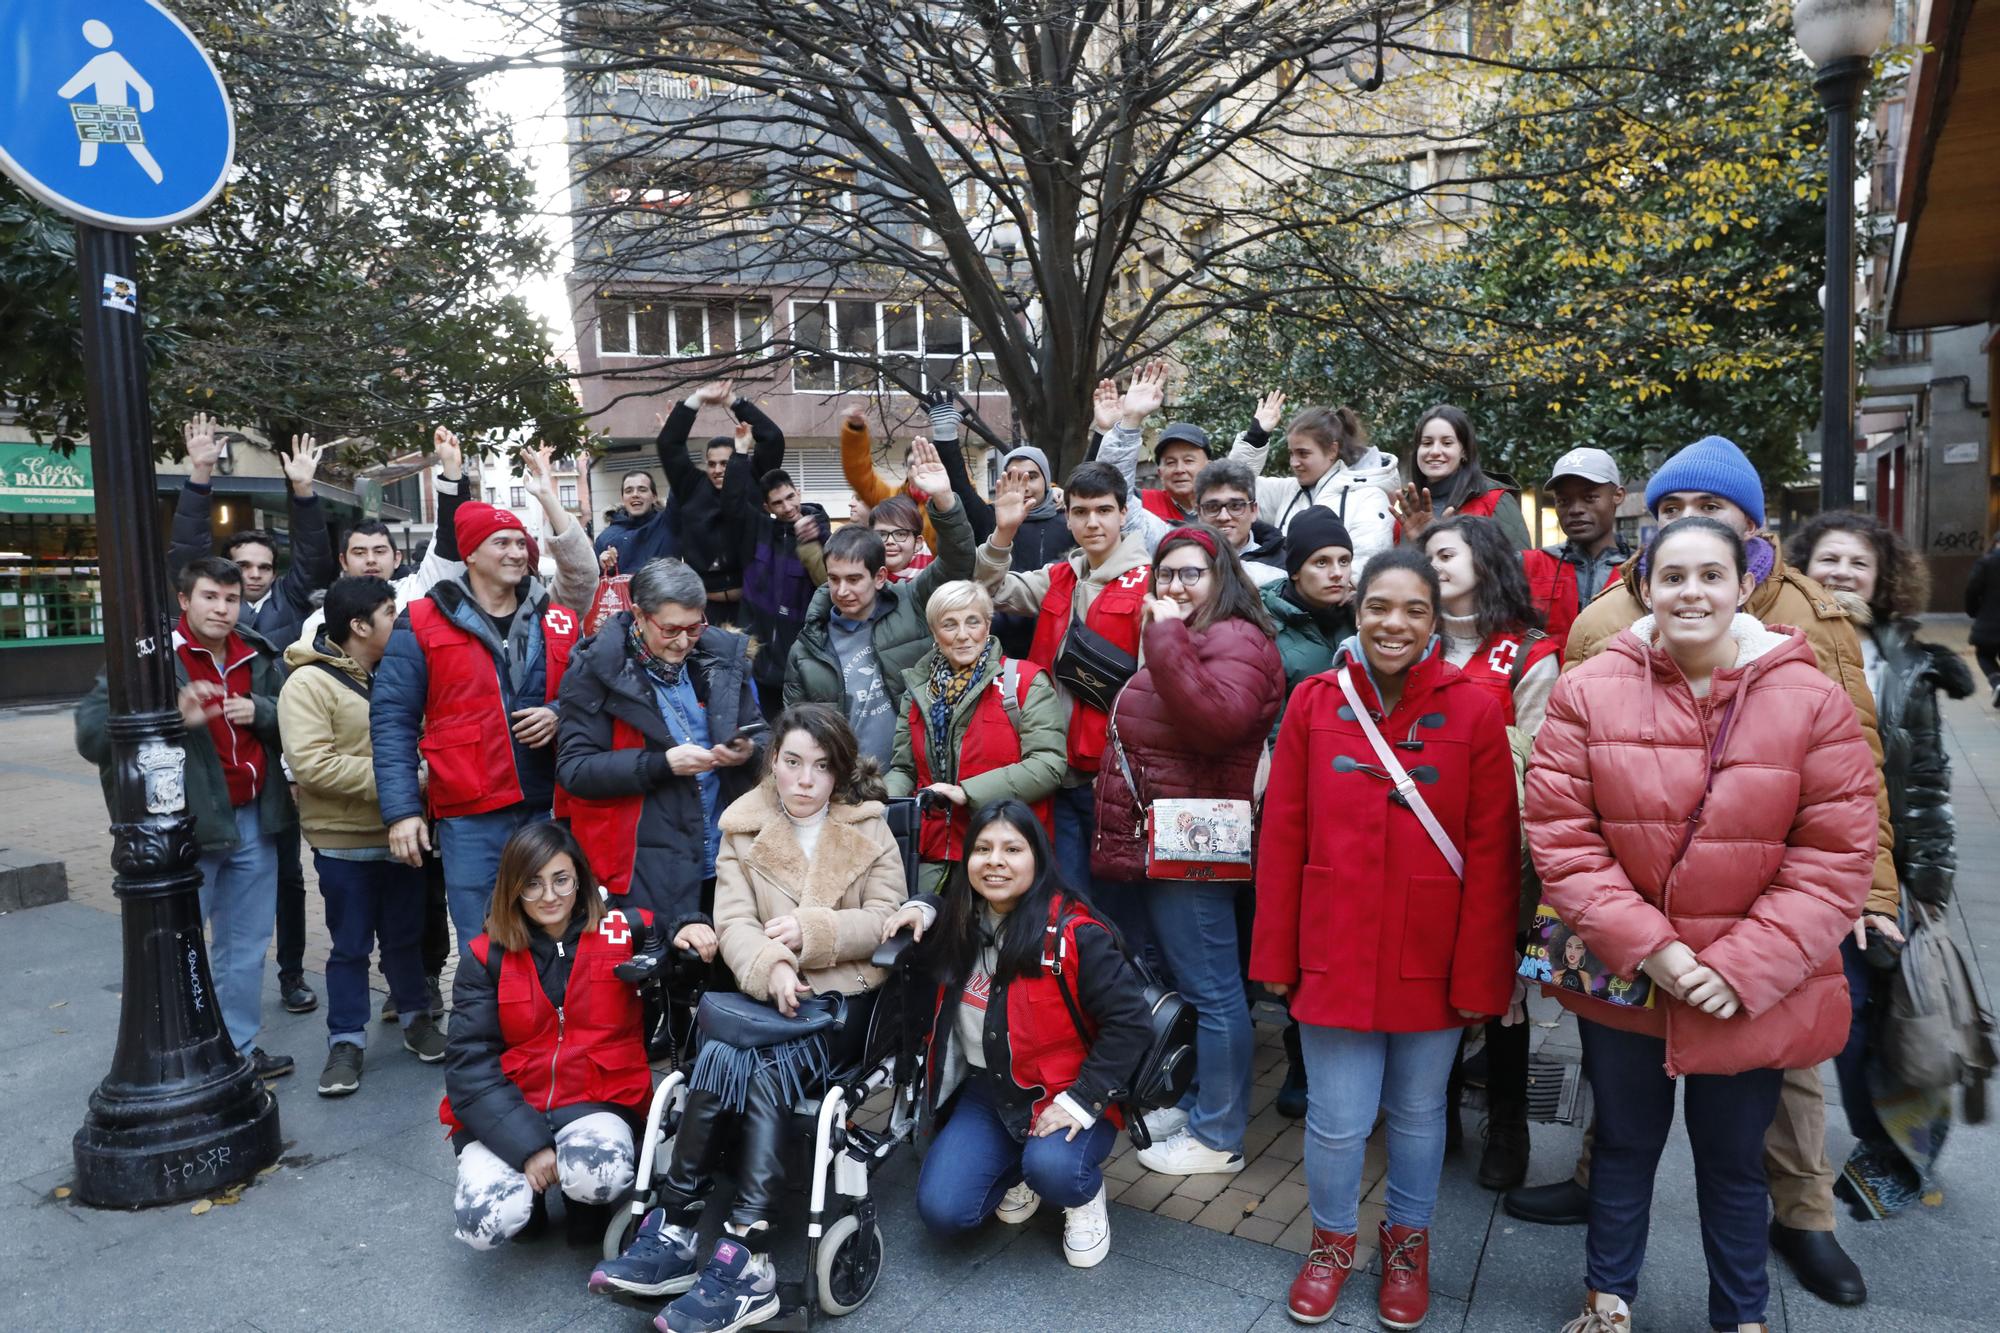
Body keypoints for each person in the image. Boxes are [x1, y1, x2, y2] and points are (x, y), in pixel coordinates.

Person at [1515, 433, 1895, 1308]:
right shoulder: (1593, 675)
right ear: (1644, 580)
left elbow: (1836, 843)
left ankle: (1744, 1312)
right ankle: (1607, 1301)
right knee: (1623, 1145)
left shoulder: (1807, 687)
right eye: (1671, 569)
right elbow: (1564, 829)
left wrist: (1742, 964)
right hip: (1626, 963)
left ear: (1746, 572)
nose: (1691, 589)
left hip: (1753, 973)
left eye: (1710, 570)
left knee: (1737, 1161)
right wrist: (1650, 946)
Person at [1253, 548, 1517, 1328]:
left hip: (1432, 948)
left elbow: (1496, 852)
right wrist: (1274, 954)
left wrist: (1481, 979)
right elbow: (1283, 834)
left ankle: (1409, 1244)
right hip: (1332, 939)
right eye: (1378, 607)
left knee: (1416, 1112)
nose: (1393, 623)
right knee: (1335, 1116)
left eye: (1413, 610)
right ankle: (1331, 1242)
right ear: (1357, 611)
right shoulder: (1312, 701)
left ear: (1435, 621)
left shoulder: (1473, 707)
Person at [588, 705, 907, 1333]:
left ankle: (738, 1249)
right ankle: (688, 1231)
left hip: (841, 1000)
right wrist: (772, 967)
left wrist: (814, 935)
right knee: (720, 1053)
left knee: (753, 1064)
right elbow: (732, 923)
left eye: (821, 766)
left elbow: (886, 919)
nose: (805, 779)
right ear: (774, 763)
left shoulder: (871, 826)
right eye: (792, 762)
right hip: (766, 997)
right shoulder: (743, 827)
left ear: (840, 770)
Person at [881, 800, 1154, 1268]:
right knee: (944, 1213)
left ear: (1038, 858)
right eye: (982, 849)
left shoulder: (1075, 933)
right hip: (988, 1093)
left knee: (1053, 1170)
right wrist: (920, 906)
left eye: (1012, 848)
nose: (995, 861)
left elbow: (1131, 1023)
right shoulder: (963, 922)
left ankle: (1080, 1193)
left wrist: (1082, 1099)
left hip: (1062, 1091)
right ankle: (1020, 1167)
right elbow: (939, 904)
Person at [1795, 509, 1974, 1217]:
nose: (1840, 573)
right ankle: (1873, 1143)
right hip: (1803, 865)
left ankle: (1900, 1146)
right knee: (1840, 1015)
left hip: (1879, 869)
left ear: (1883, 577)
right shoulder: (1785, 644)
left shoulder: (1907, 665)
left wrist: (1926, 884)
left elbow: (1926, 780)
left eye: (1856, 562)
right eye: (1826, 560)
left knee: (1881, 1017)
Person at [1092, 525, 1283, 1176]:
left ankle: (1218, 1134)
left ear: (1221, 575)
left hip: (1193, 844)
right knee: (1200, 987)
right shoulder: (1205, 633)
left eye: (1190, 573)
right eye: (1165, 574)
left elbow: (1216, 720)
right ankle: (1204, 1101)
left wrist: (1165, 633)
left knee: (1214, 991)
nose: (1174, 586)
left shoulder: (1235, 637)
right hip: (1172, 839)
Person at [75, 557, 299, 1081]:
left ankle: (239, 1049)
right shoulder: (149, 658)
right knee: (177, 946)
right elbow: (90, 737)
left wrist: (261, 711)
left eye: (231, 598)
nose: (222, 609)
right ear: (184, 600)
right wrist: (174, 716)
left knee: (245, 948)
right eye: (210, 597)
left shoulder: (258, 653)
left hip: (254, 821)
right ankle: (181, 1054)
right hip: (181, 829)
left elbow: (297, 719)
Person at [170, 415, 335, 1018]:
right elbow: (186, 556)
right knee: (193, 931)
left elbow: (313, 561)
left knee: (274, 904)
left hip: (269, 795)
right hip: (202, 808)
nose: (234, 595)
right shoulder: (175, 644)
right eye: (220, 588)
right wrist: (200, 474)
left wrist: (303, 493)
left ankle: (281, 989)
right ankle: (199, 1038)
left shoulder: (277, 622)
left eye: (238, 589)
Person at [371, 497, 582, 946]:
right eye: (500, 542)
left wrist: (558, 714)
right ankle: (487, 1017)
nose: (516, 552)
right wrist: (403, 811)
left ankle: (549, 1017)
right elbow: (392, 719)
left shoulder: (559, 620)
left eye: (520, 542)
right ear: (469, 554)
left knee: (553, 932)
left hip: (547, 804)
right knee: (483, 940)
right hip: (469, 812)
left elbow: (588, 698)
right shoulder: (424, 620)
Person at [1422, 513, 1559, 1189]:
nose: (1434, 563)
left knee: (1506, 996)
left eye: (1445, 552)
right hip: (1421, 853)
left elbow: (1543, 766)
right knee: (1431, 985)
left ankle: (1508, 1121)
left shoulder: (1530, 653)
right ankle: (1434, 1109)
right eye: (1427, 556)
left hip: (1504, 854)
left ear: (1483, 557)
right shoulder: (1407, 641)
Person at [443, 822, 653, 1250]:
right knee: (485, 1222)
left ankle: (582, 1199)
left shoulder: (615, 929)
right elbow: (469, 1068)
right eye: (532, 884)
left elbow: (661, 931)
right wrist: (528, 1147)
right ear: (513, 889)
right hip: (514, 1100)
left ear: (579, 878)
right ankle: (532, 1195)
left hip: (593, 1093)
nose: (550, 896)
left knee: (599, 1177)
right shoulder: (486, 956)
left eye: (561, 880)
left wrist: (691, 926)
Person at [280, 574, 448, 1095]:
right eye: (390, 615)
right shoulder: (307, 684)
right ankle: (346, 1040)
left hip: (406, 838)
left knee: (405, 939)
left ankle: (416, 1018)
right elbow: (311, 765)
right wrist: (403, 777)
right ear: (358, 625)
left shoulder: (397, 673)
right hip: (343, 841)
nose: (400, 624)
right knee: (349, 946)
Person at [974, 461, 1153, 944]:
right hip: (1059, 769)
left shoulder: (1151, 582)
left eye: (1103, 511)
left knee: (1121, 910)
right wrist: (1003, 533)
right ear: (1067, 518)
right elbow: (990, 590)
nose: (1092, 522)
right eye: (1081, 512)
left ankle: (1129, 1004)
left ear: (1123, 514)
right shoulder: (1061, 576)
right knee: (1070, 902)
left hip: (1115, 778)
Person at [557, 557, 765, 936]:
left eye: (694, 627)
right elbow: (575, 770)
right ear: (638, 614)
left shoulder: (721, 658)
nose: (683, 642)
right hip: (645, 862)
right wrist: (661, 764)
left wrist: (748, 750)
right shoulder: (595, 671)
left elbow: (763, 735)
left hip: (727, 855)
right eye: (670, 630)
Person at [783, 440, 973, 768]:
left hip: (916, 778)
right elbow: (794, 733)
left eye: (854, 579)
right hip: (845, 786)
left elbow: (958, 561)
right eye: (834, 578)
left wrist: (943, 499)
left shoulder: (912, 602)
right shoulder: (806, 650)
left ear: (880, 577)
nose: (842, 590)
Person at [887, 581, 1067, 892]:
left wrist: (967, 793)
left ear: (987, 624)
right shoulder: (917, 691)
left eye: (973, 621)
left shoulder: (1025, 682)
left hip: (1003, 852)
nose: (962, 634)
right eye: (949, 624)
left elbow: (1048, 765)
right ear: (934, 632)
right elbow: (905, 769)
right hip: (932, 853)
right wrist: (880, 800)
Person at [657, 380, 784, 627]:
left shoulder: (755, 479)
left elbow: (772, 438)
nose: (717, 470)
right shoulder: (691, 485)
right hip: (705, 608)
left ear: (738, 459)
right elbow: (669, 445)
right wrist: (697, 398)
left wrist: (733, 402)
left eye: (724, 463)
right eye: (711, 463)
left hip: (752, 602)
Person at [1228, 402, 1397, 565]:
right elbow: (1231, 487)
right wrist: (1256, 436)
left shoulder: (1368, 496)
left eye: (1303, 453)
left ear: (1332, 451)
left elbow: (1367, 564)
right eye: (1291, 453)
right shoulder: (1288, 490)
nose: (1294, 462)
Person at [738, 469, 828, 722]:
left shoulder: (822, 533)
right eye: (778, 502)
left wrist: (813, 542)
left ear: (798, 492)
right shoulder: (759, 533)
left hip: (800, 661)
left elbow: (829, 586)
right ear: (767, 506)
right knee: (768, 736)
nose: (788, 507)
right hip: (759, 660)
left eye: (790, 497)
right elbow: (733, 501)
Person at [1520, 448, 1631, 651]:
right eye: (1563, 501)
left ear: (1618, 495)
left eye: (1589, 498)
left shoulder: (1641, 569)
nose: (1575, 509)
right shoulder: (1529, 565)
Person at [1391, 404, 1533, 550]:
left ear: (1464, 451)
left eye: (1447, 443)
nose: (1434, 451)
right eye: (1427, 443)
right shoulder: (1406, 512)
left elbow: (1520, 567)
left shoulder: (1495, 501)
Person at [840, 404, 938, 552]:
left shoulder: (955, 502)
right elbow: (860, 475)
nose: (918, 469)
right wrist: (856, 431)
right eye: (912, 464)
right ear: (906, 469)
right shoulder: (893, 499)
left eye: (925, 462)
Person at [1193, 458, 1289, 585]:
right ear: (1199, 513)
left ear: (1254, 510)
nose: (1223, 517)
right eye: (1212, 507)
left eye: (1235, 506)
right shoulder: (1181, 561)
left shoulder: (1282, 567)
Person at [596, 465, 679, 576]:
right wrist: (603, 567)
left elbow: (680, 478)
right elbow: (590, 581)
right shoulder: (605, 538)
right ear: (623, 498)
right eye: (629, 491)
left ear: (654, 497)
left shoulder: (669, 523)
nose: (635, 494)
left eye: (642, 489)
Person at [1962, 530, 2000, 705]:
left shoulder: (1986, 563)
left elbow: (1972, 589)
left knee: (1984, 654)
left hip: (1989, 622)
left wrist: (1973, 611)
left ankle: (1997, 682)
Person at [866, 493, 934, 582]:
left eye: (900, 534)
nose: (890, 541)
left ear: (917, 543)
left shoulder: (935, 577)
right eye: (882, 534)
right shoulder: (859, 572)